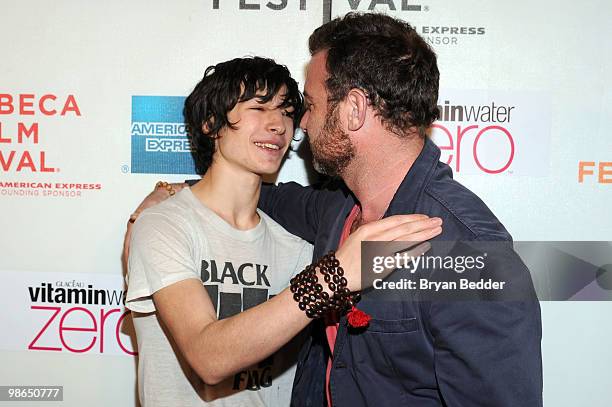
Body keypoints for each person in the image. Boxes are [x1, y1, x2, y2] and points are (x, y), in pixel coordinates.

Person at [125, 56, 442, 406]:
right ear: (211, 123)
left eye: (287, 112)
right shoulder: (162, 224)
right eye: (259, 108)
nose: (278, 124)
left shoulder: (298, 248)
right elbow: (208, 358)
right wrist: (334, 275)